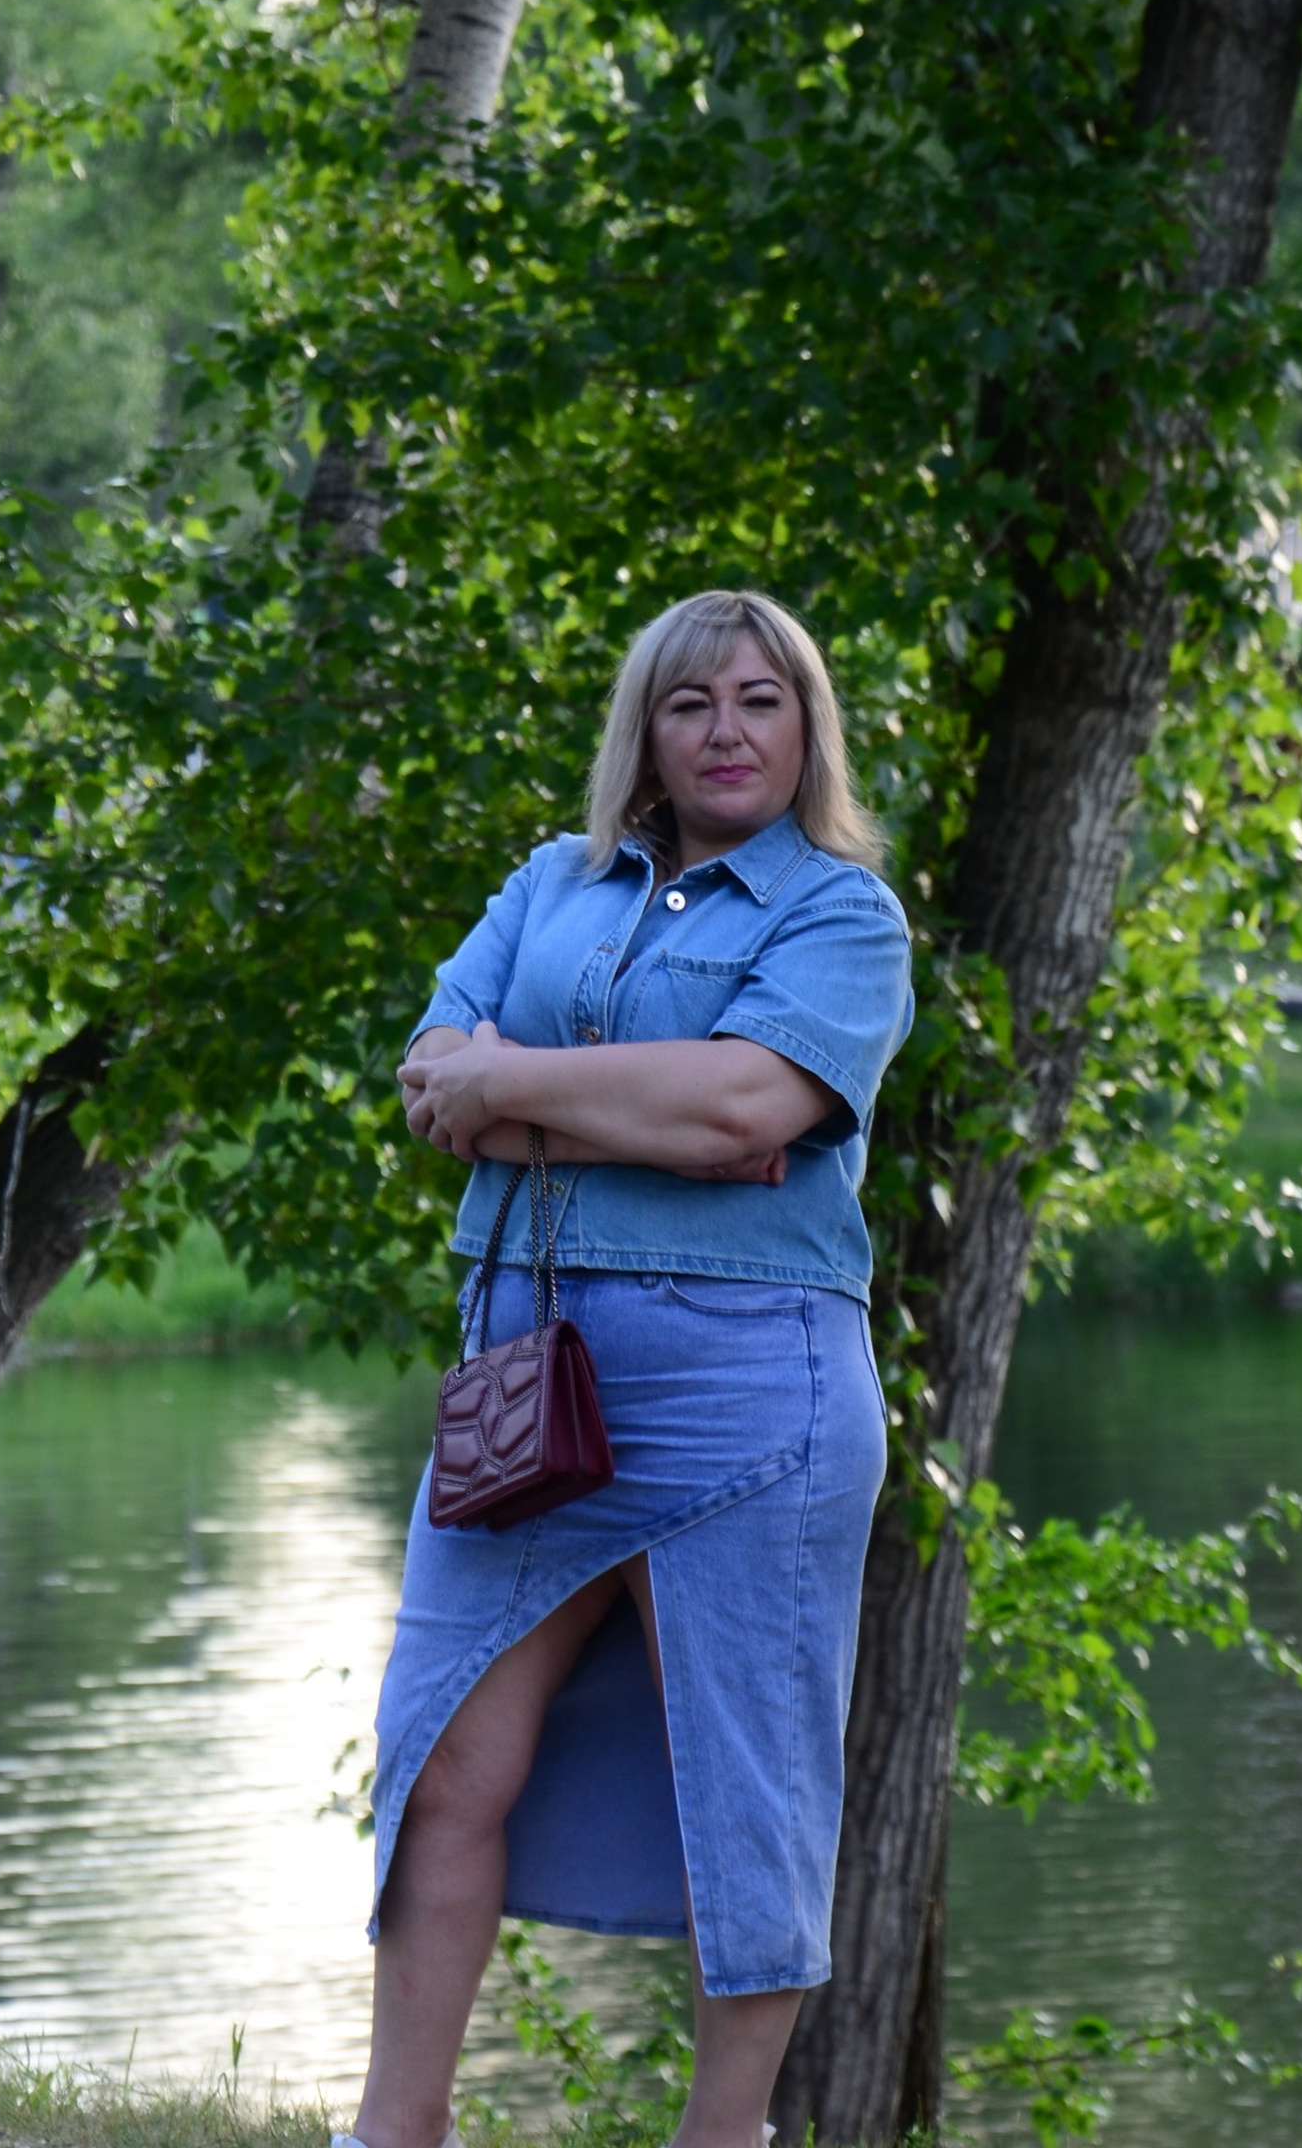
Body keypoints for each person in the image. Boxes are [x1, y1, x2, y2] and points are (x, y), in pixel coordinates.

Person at [345, 590, 914, 2148]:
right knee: (442, 1757)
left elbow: (749, 1116)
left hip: (754, 1405)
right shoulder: (550, 884)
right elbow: (428, 1078)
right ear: (645, 736)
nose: (727, 733)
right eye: (691, 706)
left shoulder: (840, 917)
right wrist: (643, 1109)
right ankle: (397, 2130)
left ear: (806, 730)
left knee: (751, 1794)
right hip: (524, 1392)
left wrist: (521, 1091)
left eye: (759, 702)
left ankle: (721, 2140)